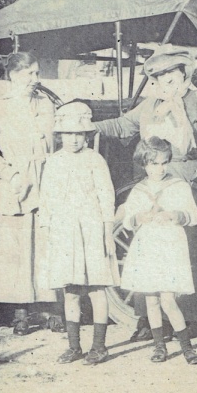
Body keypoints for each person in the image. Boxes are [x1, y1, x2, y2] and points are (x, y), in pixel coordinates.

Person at [94, 46, 197, 327]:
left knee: (187, 249)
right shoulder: (150, 106)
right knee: (150, 251)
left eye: (171, 75)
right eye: (158, 77)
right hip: (153, 181)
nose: (165, 82)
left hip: (189, 179)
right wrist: (92, 127)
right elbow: (122, 125)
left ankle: (189, 318)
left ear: (183, 74)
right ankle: (150, 320)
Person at [0, 51, 59, 335]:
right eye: (29, 74)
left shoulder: (46, 104)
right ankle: (20, 311)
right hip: (14, 185)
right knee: (16, 250)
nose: (35, 79)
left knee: (45, 245)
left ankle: (48, 307)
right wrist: (10, 174)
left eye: (37, 73)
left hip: (45, 180)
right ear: (13, 75)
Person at [37, 102, 117, 365]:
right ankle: (74, 346)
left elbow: (106, 198)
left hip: (91, 229)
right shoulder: (54, 162)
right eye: (68, 133)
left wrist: (107, 233)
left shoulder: (95, 160)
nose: (73, 139)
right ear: (60, 134)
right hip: (64, 232)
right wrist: (47, 232)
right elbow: (46, 200)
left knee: (96, 289)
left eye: (79, 134)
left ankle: (99, 346)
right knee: (71, 291)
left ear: (87, 135)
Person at [117, 137, 197, 365]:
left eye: (164, 163)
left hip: (170, 247)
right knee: (151, 300)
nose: (160, 169)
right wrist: (139, 217)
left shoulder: (178, 186)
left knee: (168, 299)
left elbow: (194, 215)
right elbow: (128, 219)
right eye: (154, 164)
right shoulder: (139, 190)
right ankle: (159, 346)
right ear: (144, 164)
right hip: (148, 248)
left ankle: (187, 348)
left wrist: (176, 215)